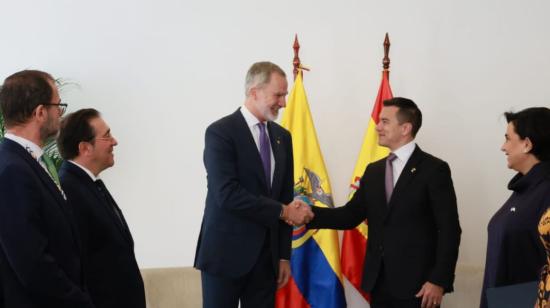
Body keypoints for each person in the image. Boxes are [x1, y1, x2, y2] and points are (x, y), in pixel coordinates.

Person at [303, 97, 461, 308]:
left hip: (419, 287)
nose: (377, 127)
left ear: (405, 128)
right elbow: (350, 215)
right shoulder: (374, 171)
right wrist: (308, 213)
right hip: (379, 283)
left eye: (385, 121)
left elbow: (450, 230)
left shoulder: (434, 170)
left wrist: (438, 280)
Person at [194, 61, 312, 308]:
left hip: (266, 260)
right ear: (255, 92)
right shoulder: (220, 133)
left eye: (285, 95)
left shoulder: (282, 137)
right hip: (224, 255)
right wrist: (282, 210)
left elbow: (283, 195)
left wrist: (283, 256)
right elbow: (227, 194)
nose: (284, 102)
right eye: (278, 95)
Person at [0, 70, 94, 307]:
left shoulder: (29, 162)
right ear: (40, 112)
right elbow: (32, 262)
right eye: (57, 106)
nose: (60, 115)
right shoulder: (12, 169)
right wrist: (79, 301)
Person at [56, 108, 146, 308]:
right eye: (107, 136)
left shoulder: (89, 184)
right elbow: (78, 264)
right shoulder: (70, 189)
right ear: (85, 148)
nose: (115, 142)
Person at [480, 107, 550, 308]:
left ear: (527, 144)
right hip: (506, 300)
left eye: (508, 139)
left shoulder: (545, 190)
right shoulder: (524, 190)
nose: (503, 147)